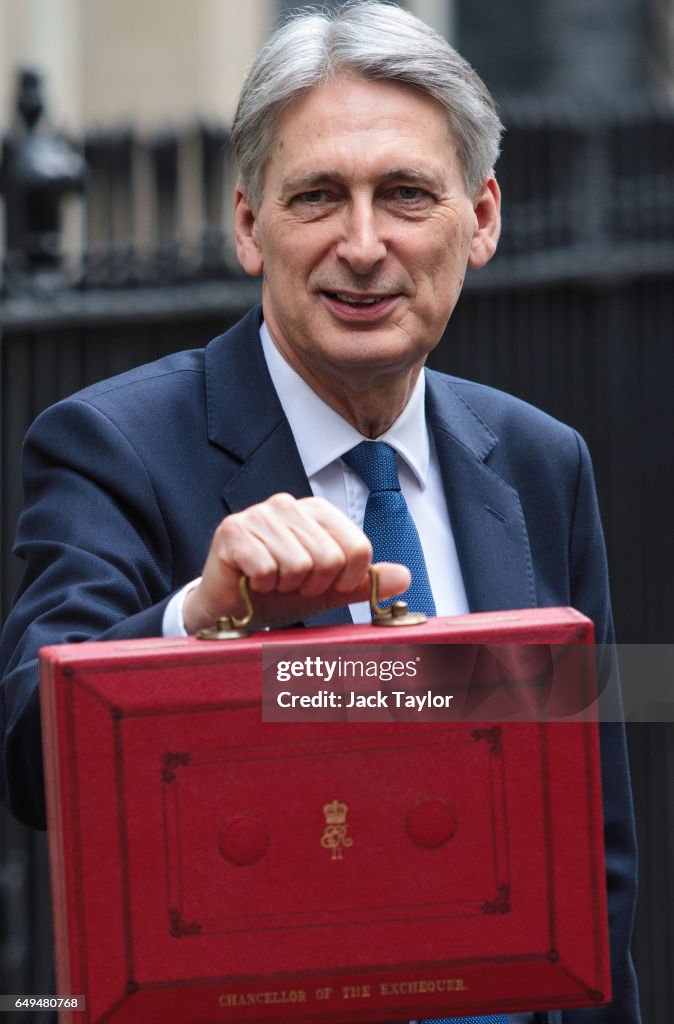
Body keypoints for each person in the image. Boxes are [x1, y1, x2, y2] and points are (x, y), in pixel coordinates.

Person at [0, 3, 640, 1023]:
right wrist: (194, 622)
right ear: (250, 226)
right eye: (316, 197)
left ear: (479, 219)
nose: (361, 243)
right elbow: (29, 754)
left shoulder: (538, 460)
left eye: (403, 194)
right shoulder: (112, 444)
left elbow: (590, 856)